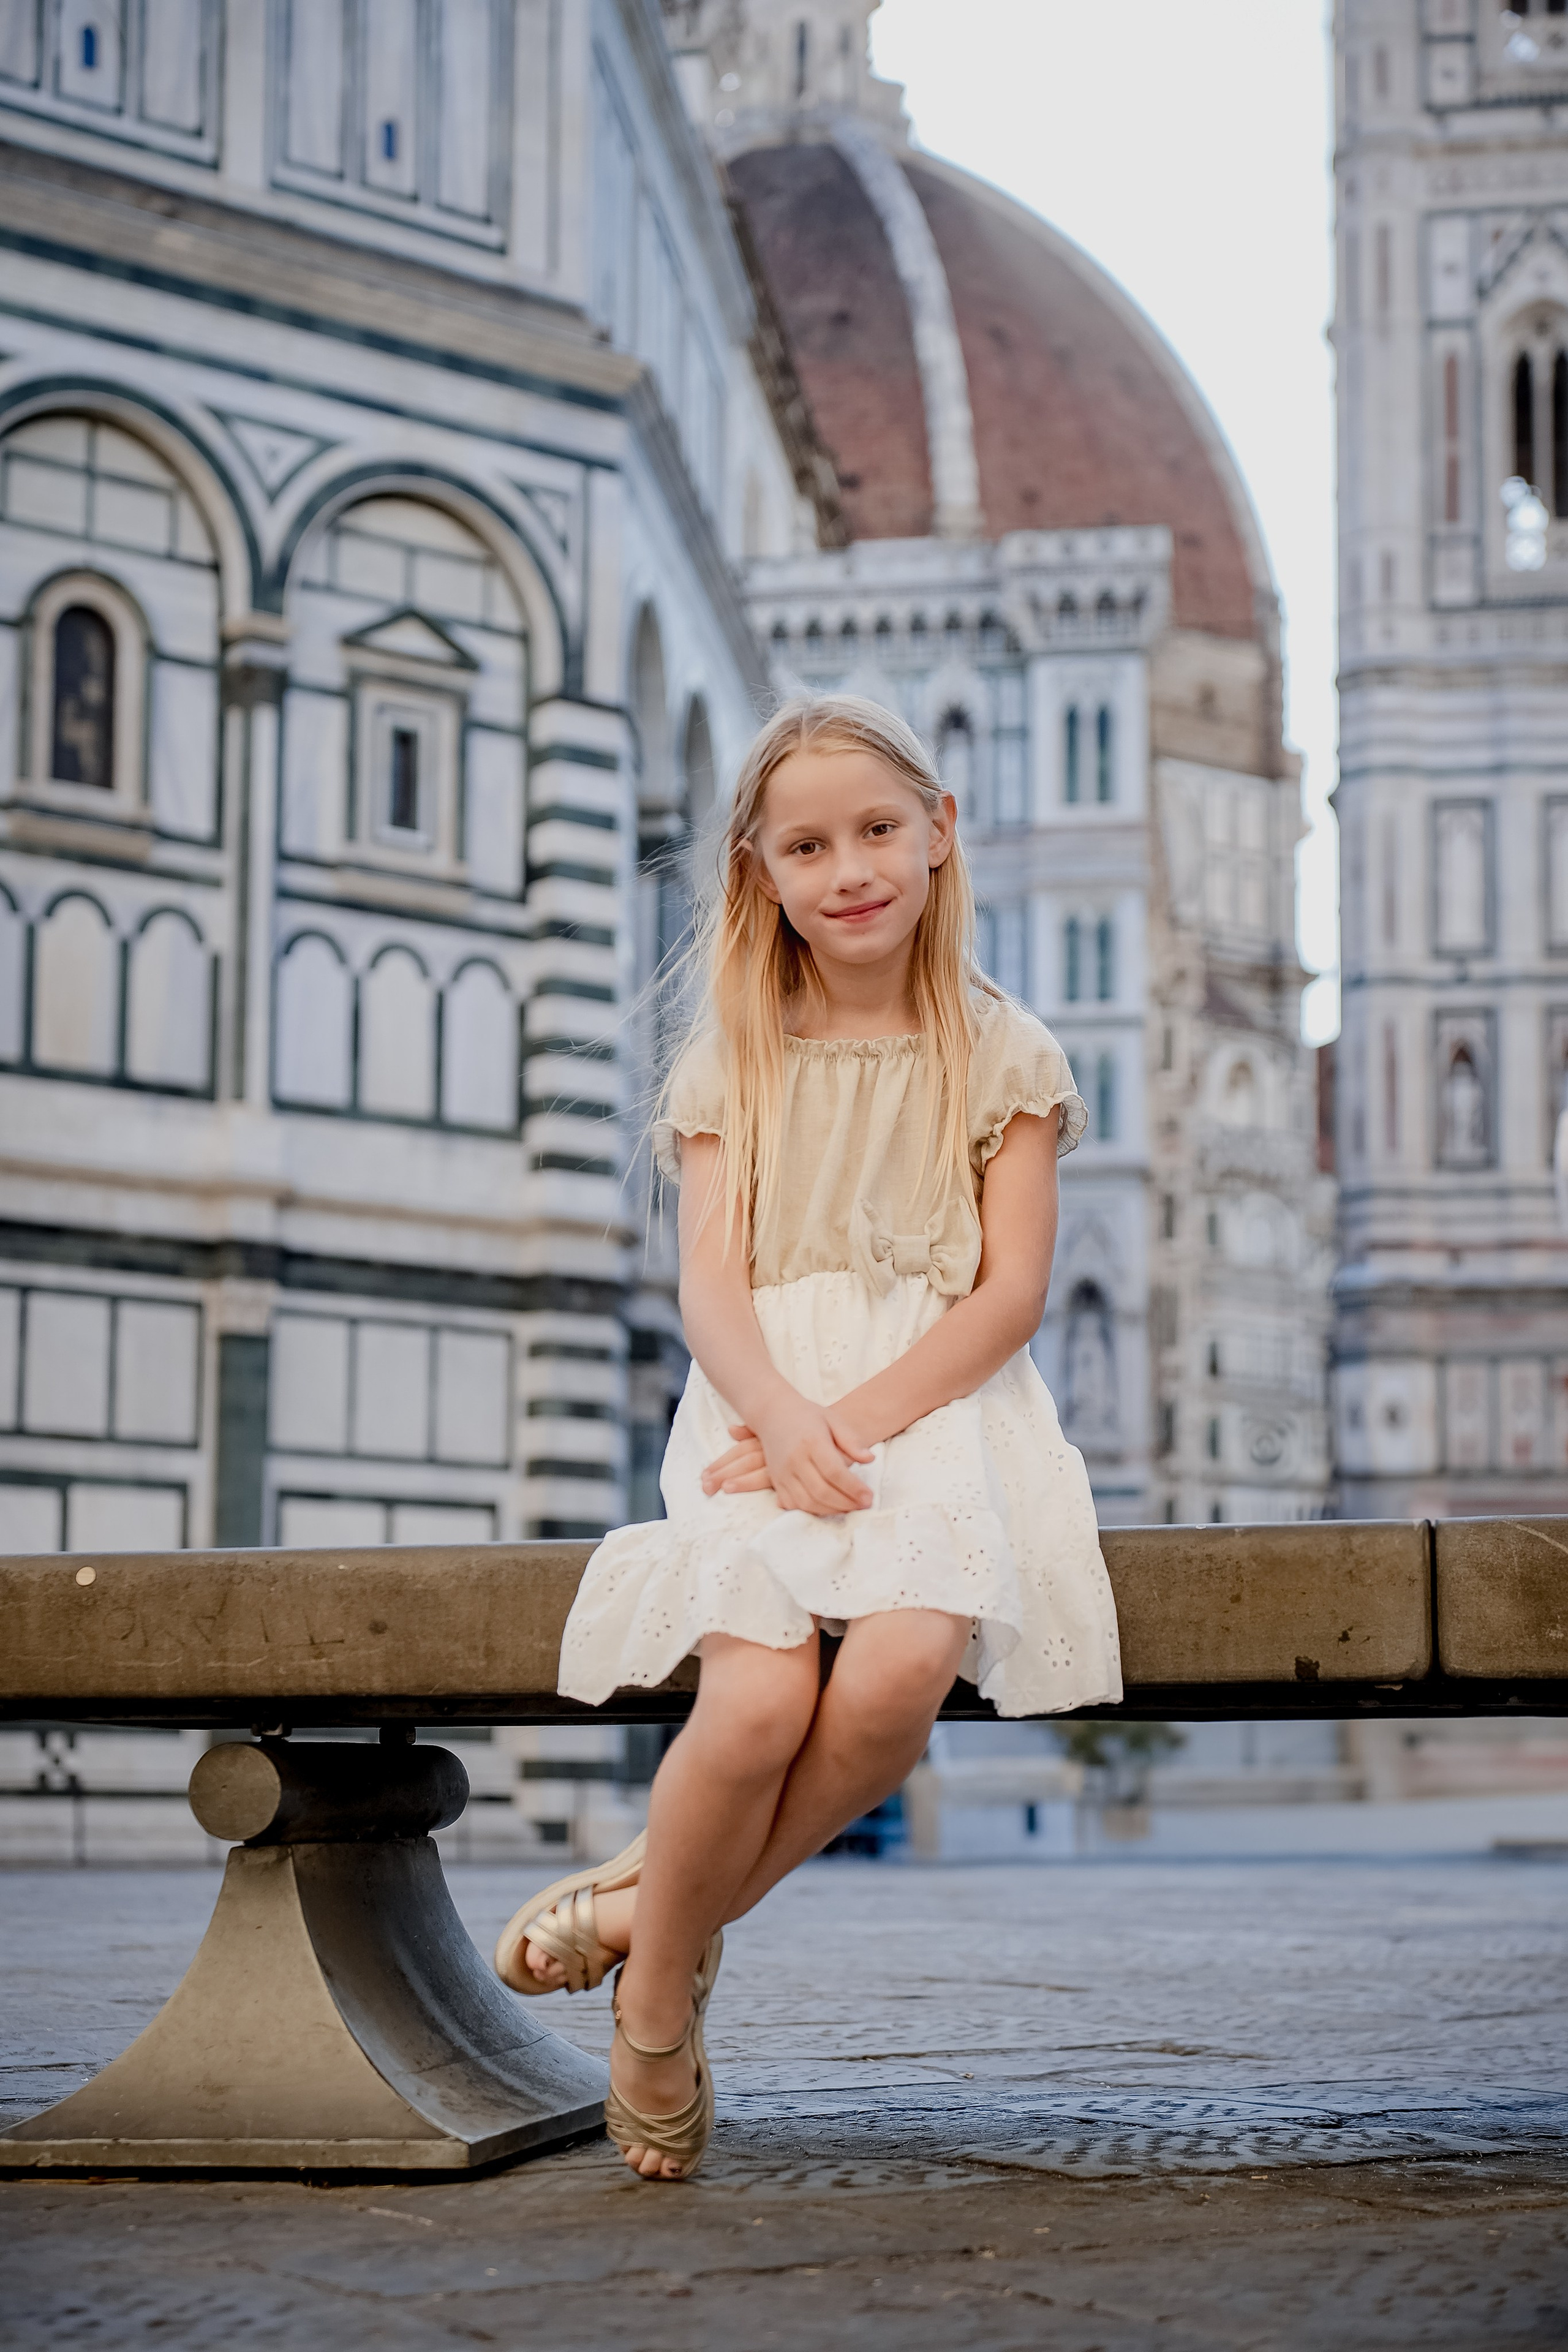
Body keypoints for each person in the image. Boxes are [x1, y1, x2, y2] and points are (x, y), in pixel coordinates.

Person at [493, 694, 1122, 2180]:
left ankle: (651, 1937)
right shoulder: (736, 1057)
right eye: (807, 845)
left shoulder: (1002, 1050)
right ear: (760, 874)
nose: (848, 868)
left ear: (938, 834)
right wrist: (780, 1418)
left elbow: (1012, 1290)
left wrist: (854, 1418)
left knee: (900, 1668)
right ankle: (663, 1979)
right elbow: (706, 1280)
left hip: (935, 1401)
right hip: (754, 1402)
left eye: (876, 831)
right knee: (760, 1705)